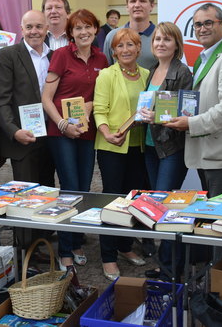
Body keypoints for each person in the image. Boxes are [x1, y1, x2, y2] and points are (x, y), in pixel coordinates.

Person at [42, 9, 108, 271]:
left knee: (84, 186)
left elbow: (101, 94)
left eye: (88, 27)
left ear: (95, 30)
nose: (83, 32)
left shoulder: (101, 58)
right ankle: (66, 248)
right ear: (71, 33)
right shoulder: (61, 55)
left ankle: (77, 239)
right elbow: (46, 97)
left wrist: (90, 105)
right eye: (78, 28)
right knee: (69, 186)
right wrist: (61, 123)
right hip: (61, 132)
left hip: (86, 130)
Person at [166, 3, 222, 198]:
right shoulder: (205, 58)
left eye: (208, 23)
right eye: (197, 24)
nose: (202, 29)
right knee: (211, 217)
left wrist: (191, 123)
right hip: (208, 153)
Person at [93, 28, 149, 281]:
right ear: (113, 51)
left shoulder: (147, 75)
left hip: (138, 147)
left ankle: (125, 247)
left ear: (139, 48)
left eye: (131, 45)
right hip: (112, 147)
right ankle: (108, 257)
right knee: (112, 201)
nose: (125, 50)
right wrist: (106, 133)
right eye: (120, 46)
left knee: (132, 200)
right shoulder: (106, 75)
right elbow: (99, 110)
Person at [138, 22, 193, 281]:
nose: (161, 43)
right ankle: (167, 265)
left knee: (168, 207)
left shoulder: (182, 72)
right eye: (157, 39)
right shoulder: (152, 70)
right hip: (150, 146)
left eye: (167, 40)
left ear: (176, 45)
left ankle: (172, 269)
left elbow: (185, 115)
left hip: (171, 147)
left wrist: (155, 117)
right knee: (159, 205)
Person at [0, 10, 55, 186]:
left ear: (47, 29)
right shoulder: (8, 55)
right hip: (23, 140)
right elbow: (0, 100)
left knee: (49, 193)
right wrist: (14, 131)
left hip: (51, 138)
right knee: (27, 198)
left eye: (39, 26)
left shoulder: (54, 57)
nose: (34, 31)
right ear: (21, 29)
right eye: (29, 27)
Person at [102, 0, 156, 69]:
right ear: (127, 6)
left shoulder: (160, 37)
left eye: (142, 1)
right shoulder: (112, 36)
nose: (137, 5)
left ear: (152, 6)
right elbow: (105, 71)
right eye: (133, 1)